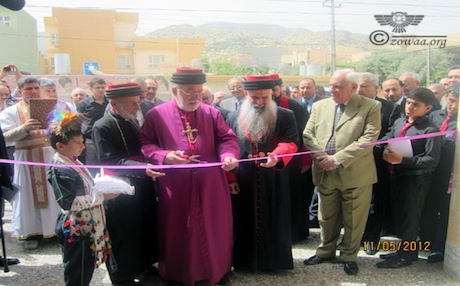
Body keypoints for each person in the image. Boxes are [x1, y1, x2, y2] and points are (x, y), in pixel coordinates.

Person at [140, 68, 239, 286]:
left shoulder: (212, 113)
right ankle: (179, 272)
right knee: (179, 228)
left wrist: (228, 155)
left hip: (211, 184)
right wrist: (165, 155)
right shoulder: (156, 115)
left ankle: (216, 271)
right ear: (174, 90)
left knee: (215, 227)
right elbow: (146, 144)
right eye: (189, 92)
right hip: (176, 185)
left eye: (198, 92)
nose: (195, 97)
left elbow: (227, 139)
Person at [303, 69, 381, 276]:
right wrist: (323, 158)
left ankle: (349, 256)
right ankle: (326, 251)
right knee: (326, 217)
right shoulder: (320, 106)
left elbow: (369, 138)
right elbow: (308, 134)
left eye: (338, 86)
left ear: (354, 88)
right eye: (331, 85)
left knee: (354, 218)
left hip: (355, 174)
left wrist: (337, 159)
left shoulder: (371, 106)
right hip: (324, 171)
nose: (332, 90)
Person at [92, 83, 164, 285]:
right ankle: (121, 275)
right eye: (132, 103)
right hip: (120, 188)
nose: (136, 107)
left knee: (144, 225)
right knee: (123, 232)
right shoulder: (102, 126)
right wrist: (142, 168)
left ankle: (143, 265)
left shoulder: (131, 120)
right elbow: (109, 160)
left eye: (138, 102)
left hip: (143, 184)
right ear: (114, 103)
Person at [226, 74, 299, 271]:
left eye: (264, 98)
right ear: (246, 95)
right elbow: (229, 148)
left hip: (273, 176)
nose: (259, 102)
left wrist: (277, 155)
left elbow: (291, 141)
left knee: (274, 217)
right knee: (242, 219)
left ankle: (273, 262)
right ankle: (243, 261)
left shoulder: (285, 115)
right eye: (254, 98)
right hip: (244, 178)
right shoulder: (232, 117)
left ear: (271, 95)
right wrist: (231, 177)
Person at [46, 111, 115, 286]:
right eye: (77, 143)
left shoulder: (74, 161)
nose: (82, 146)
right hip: (77, 229)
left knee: (85, 269)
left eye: (82, 142)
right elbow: (68, 202)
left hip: (87, 225)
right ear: (60, 146)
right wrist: (101, 196)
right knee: (77, 271)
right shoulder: (60, 169)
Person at [376, 88, 441, 269]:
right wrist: (384, 150)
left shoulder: (429, 130)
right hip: (396, 175)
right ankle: (406, 250)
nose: (410, 107)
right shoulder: (399, 122)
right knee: (399, 215)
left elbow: (431, 159)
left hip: (415, 180)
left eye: (416, 105)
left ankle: (406, 255)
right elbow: (388, 139)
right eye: (408, 103)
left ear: (427, 108)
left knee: (410, 218)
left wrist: (403, 159)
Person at [0, 77, 61, 249]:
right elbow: (4, 137)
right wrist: (24, 128)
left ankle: (53, 230)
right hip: (26, 159)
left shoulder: (51, 108)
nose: (33, 91)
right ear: (20, 92)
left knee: (52, 193)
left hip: (49, 158)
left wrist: (57, 126)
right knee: (26, 195)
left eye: (36, 88)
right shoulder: (10, 112)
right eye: (28, 89)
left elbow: (61, 130)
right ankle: (31, 233)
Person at [357, 72, 401, 254]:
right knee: (355, 202)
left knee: (375, 202)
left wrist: (369, 146)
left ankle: (371, 239)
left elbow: (391, 133)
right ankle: (353, 237)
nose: (359, 89)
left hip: (376, 162)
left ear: (375, 88)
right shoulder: (351, 106)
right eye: (357, 86)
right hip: (354, 162)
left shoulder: (390, 108)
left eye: (364, 86)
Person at [419, 84, 458, 263]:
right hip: (428, 169)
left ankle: (439, 248)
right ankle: (425, 242)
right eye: (451, 101)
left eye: (458, 102)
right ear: (445, 99)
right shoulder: (435, 116)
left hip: (449, 174)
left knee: (445, 211)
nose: (454, 106)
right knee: (428, 208)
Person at [270, 73, 311, 242]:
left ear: (280, 88)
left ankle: (296, 233)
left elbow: (306, 135)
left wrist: (306, 160)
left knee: (295, 196)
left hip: (293, 162)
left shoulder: (295, 106)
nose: (271, 93)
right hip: (270, 161)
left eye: (274, 89)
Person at [76, 77, 108, 174]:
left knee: (109, 165)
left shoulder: (110, 102)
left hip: (106, 138)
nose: (101, 90)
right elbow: (79, 123)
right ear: (91, 89)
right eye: (97, 87)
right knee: (92, 168)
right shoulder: (83, 104)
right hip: (91, 140)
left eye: (102, 87)